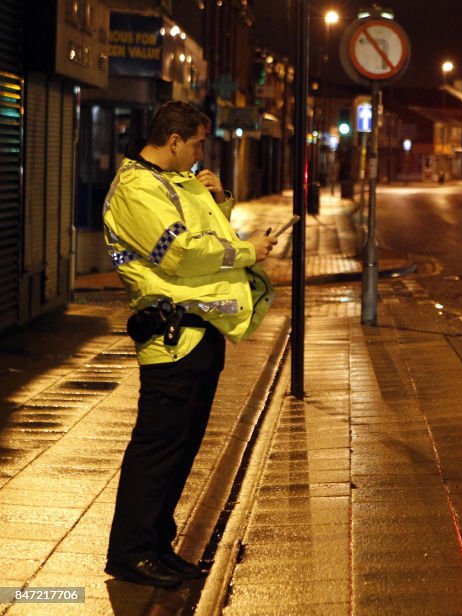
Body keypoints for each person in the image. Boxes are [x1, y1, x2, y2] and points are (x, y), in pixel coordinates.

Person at [103, 101, 278, 587]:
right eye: (198, 143)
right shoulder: (136, 188)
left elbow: (202, 238)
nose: (203, 152)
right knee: (158, 449)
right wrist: (249, 251)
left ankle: (157, 545)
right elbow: (178, 253)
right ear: (174, 141)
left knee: (180, 450)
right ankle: (131, 551)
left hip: (199, 334)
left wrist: (219, 202)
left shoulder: (174, 184)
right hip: (171, 338)